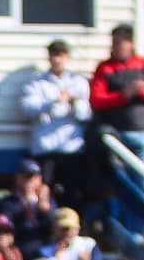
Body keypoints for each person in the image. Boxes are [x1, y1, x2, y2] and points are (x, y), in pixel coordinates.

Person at [90, 24, 144, 185]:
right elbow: (96, 100)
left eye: (120, 42)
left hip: (142, 134)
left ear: (131, 44)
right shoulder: (104, 68)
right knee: (121, 182)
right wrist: (124, 95)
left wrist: (141, 91)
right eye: (114, 42)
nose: (115, 47)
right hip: (117, 136)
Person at [23, 39, 93, 207]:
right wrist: (53, 101)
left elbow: (86, 115)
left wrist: (73, 102)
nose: (57, 59)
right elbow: (27, 108)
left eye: (60, 55)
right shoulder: (37, 82)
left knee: (73, 193)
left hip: (71, 148)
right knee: (43, 194)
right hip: (44, 148)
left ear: (67, 58)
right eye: (54, 55)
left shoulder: (78, 82)